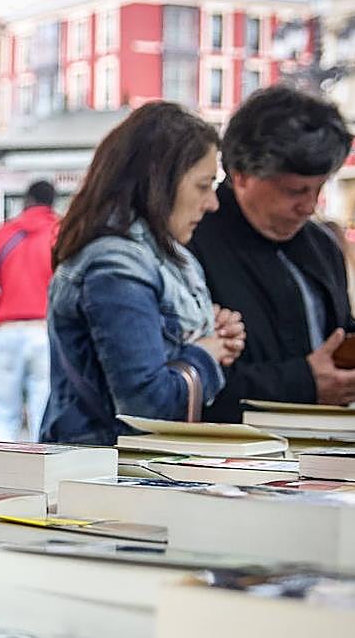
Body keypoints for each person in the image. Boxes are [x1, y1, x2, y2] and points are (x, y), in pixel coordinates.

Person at [188, 86, 355, 422]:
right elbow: (184, 382)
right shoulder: (192, 241)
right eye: (295, 191)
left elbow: (336, 342)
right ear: (242, 175)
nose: (309, 206)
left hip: (319, 447)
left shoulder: (321, 245)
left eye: (319, 188)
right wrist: (306, 382)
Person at [41, 102, 246, 445]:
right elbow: (147, 408)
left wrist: (209, 333)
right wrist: (206, 354)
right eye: (203, 185)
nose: (212, 203)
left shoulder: (159, 257)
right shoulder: (117, 270)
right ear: (160, 181)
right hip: (108, 477)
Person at [0, 179, 60, 441]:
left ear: (27, 201)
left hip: (9, 330)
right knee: (41, 409)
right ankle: (39, 475)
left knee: (4, 411)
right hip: (45, 330)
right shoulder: (61, 232)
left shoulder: (3, 233)